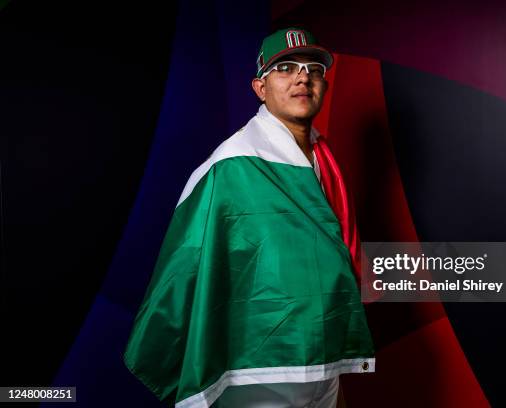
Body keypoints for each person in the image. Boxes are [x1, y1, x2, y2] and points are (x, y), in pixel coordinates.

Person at [123, 27, 375, 408]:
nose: (303, 77)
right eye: (285, 68)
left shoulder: (324, 159)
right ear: (260, 88)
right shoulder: (231, 166)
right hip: (258, 365)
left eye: (313, 69)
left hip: (324, 353)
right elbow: (187, 261)